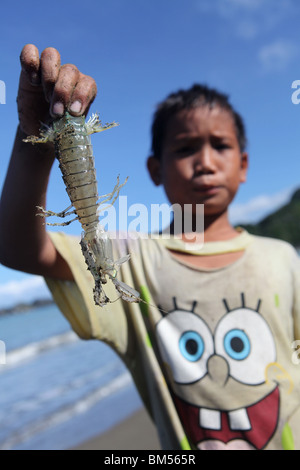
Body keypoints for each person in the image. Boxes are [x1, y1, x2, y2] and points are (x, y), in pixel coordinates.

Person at [0, 44, 299, 451]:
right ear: (154, 169)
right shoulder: (134, 258)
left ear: (244, 165)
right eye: (185, 148)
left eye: (221, 146)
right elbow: (15, 247)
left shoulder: (283, 258)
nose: (206, 162)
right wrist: (33, 143)